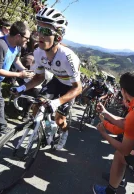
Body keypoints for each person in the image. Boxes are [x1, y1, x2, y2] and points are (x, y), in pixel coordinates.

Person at [13, 7, 82, 150]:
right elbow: (38, 77)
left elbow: (78, 88)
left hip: (70, 87)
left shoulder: (68, 58)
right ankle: (39, 126)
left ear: (58, 37)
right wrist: (21, 88)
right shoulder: (38, 52)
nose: (40, 35)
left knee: (59, 118)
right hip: (56, 81)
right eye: (38, 29)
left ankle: (64, 132)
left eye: (46, 31)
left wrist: (57, 102)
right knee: (37, 104)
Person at [0, 21, 34, 133]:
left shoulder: (17, 46)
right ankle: (2, 127)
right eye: (26, 38)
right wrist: (19, 74)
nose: (28, 41)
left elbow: (16, 60)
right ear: (18, 36)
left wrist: (23, 69)